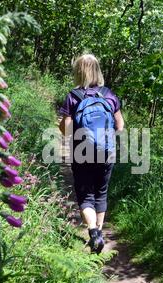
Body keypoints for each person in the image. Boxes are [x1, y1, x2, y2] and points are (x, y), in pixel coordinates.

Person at [59, 54, 124, 253]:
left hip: (82, 151)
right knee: (100, 192)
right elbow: (120, 126)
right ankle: (99, 236)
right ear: (97, 70)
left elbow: (66, 129)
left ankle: (93, 232)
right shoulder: (109, 95)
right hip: (106, 152)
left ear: (78, 72)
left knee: (85, 194)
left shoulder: (74, 96)